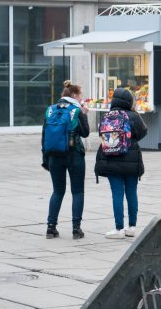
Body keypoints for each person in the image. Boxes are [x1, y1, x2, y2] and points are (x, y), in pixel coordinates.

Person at [94, 87, 147, 239]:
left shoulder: (107, 116)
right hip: (131, 160)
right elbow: (143, 132)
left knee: (117, 194)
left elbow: (101, 135)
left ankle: (118, 229)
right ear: (129, 101)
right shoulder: (134, 116)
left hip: (111, 160)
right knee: (131, 192)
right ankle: (131, 227)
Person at [42, 80, 90, 239]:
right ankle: (76, 229)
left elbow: (44, 137)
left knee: (57, 191)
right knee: (77, 191)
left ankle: (51, 227)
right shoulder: (76, 110)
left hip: (54, 156)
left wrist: (46, 159)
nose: (81, 98)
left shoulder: (50, 110)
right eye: (80, 95)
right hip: (74, 154)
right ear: (75, 95)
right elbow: (85, 133)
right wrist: (84, 114)